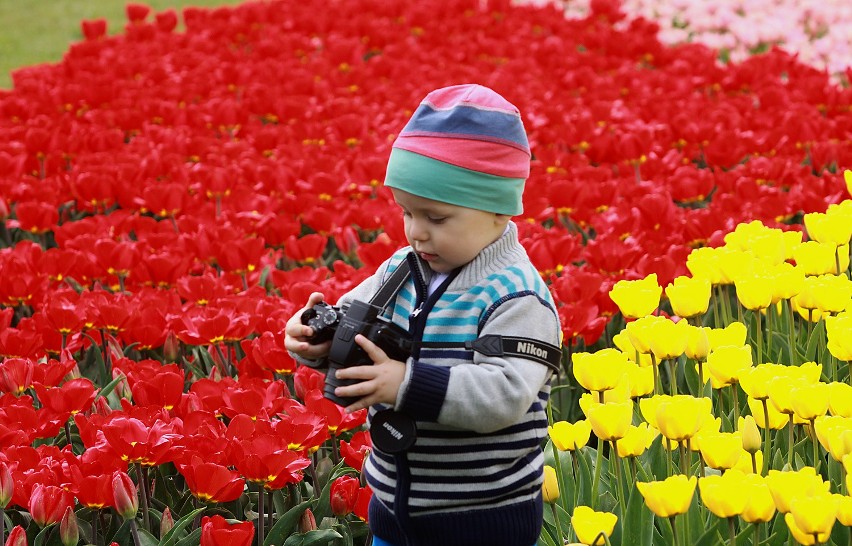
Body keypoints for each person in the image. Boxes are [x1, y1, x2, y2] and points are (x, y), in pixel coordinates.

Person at [285, 83, 562, 546]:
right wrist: (314, 341)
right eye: (406, 213)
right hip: (393, 513)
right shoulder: (399, 270)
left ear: (498, 210)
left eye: (436, 219)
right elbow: (355, 328)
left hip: (482, 520)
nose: (416, 233)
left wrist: (406, 384)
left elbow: (506, 394)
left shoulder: (517, 297)